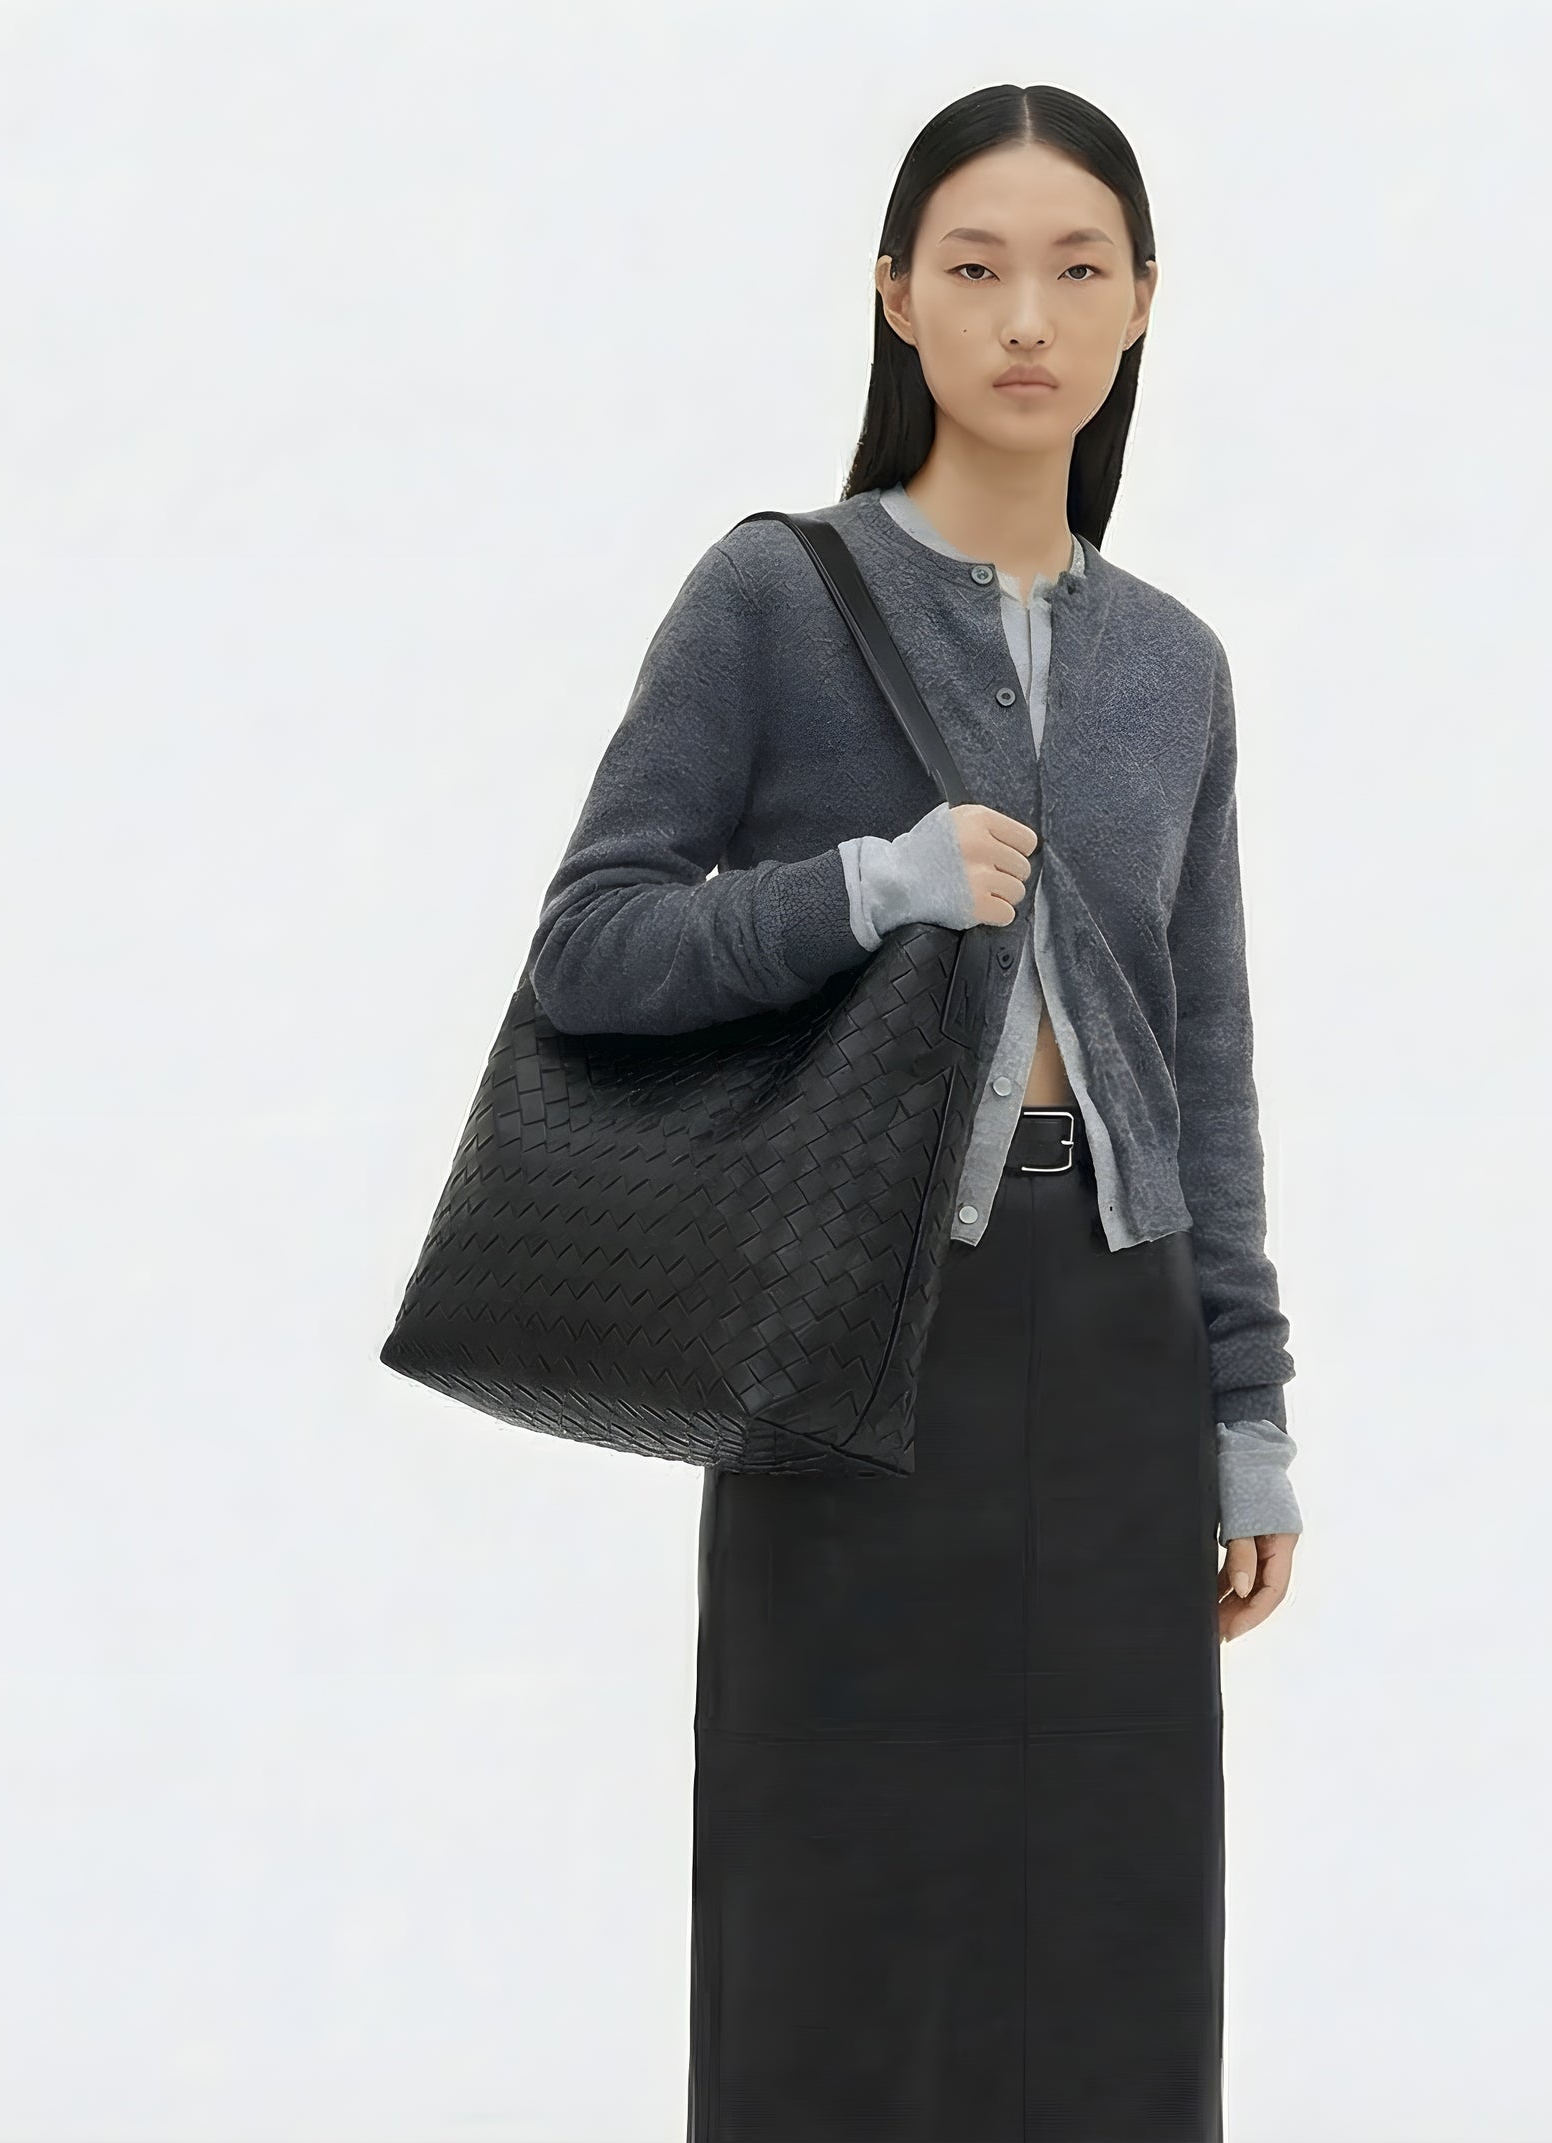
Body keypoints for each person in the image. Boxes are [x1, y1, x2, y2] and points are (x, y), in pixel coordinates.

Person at [523, 84, 1299, 2140]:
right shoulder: (775, 597)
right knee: (837, 1918)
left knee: (1118, 1938)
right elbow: (590, 949)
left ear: (1142, 307)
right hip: (859, 1331)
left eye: (1076, 269)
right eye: (973, 267)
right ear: (894, 301)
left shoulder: (1178, 669)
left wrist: (1248, 1405)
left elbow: (1205, 1059)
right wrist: (866, 883)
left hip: (1122, 1343)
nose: (1025, 317)